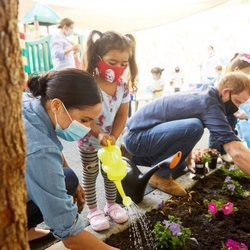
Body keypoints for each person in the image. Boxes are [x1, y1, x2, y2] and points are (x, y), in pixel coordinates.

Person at [23, 69, 118, 250]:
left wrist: (72, 181)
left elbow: (50, 150)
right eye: (84, 119)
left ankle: (23, 229)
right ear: (57, 105)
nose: (88, 128)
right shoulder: (39, 150)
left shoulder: (33, 103)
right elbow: (72, 237)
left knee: (68, 178)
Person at [123, 72, 250, 197]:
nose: (237, 108)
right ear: (226, 92)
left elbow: (182, 133)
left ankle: (135, 157)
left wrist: (188, 161)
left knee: (180, 164)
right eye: (237, 101)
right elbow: (236, 151)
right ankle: (159, 176)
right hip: (137, 137)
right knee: (195, 127)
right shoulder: (210, 105)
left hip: (143, 133)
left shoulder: (206, 94)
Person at [78, 30, 138, 231]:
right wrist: (99, 134)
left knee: (112, 173)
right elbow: (84, 116)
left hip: (110, 142)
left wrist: (113, 135)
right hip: (89, 140)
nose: (119, 68)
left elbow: (122, 114)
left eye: (123, 64)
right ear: (98, 58)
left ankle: (111, 205)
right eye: (112, 63)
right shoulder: (88, 84)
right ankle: (94, 210)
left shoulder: (122, 86)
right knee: (90, 173)